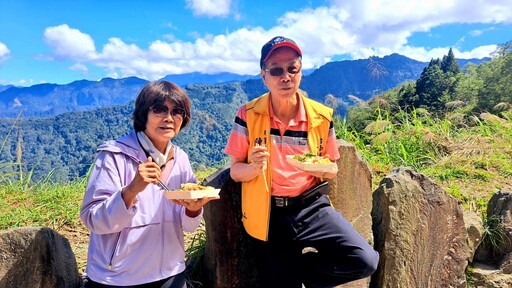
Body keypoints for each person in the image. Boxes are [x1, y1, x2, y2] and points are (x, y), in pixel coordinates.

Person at [224, 36, 379, 287]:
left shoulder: (320, 116)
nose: (285, 76)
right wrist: (253, 167)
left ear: (301, 71)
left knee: (364, 260)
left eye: (292, 68)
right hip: (268, 212)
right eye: (276, 70)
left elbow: (331, 167)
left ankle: (299, 275)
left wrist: (323, 168)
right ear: (264, 77)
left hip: (311, 206)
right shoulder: (248, 115)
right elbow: (235, 171)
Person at [80, 81, 218, 288]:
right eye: (160, 109)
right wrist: (131, 190)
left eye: (177, 111)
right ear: (143, 114)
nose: (169, 118)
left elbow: (188, 227)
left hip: (170, 272)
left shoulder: (180, 159)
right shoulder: (114, 156)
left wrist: (193, 211)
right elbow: (93, 219)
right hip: (118, 277)